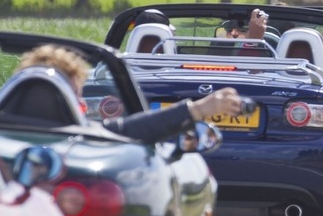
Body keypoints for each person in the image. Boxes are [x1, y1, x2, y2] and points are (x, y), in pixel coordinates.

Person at [15, 44, 247, 145]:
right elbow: (129, 130)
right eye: (76, 95)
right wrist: (197, 109)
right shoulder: (78, 138)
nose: (81, 104)